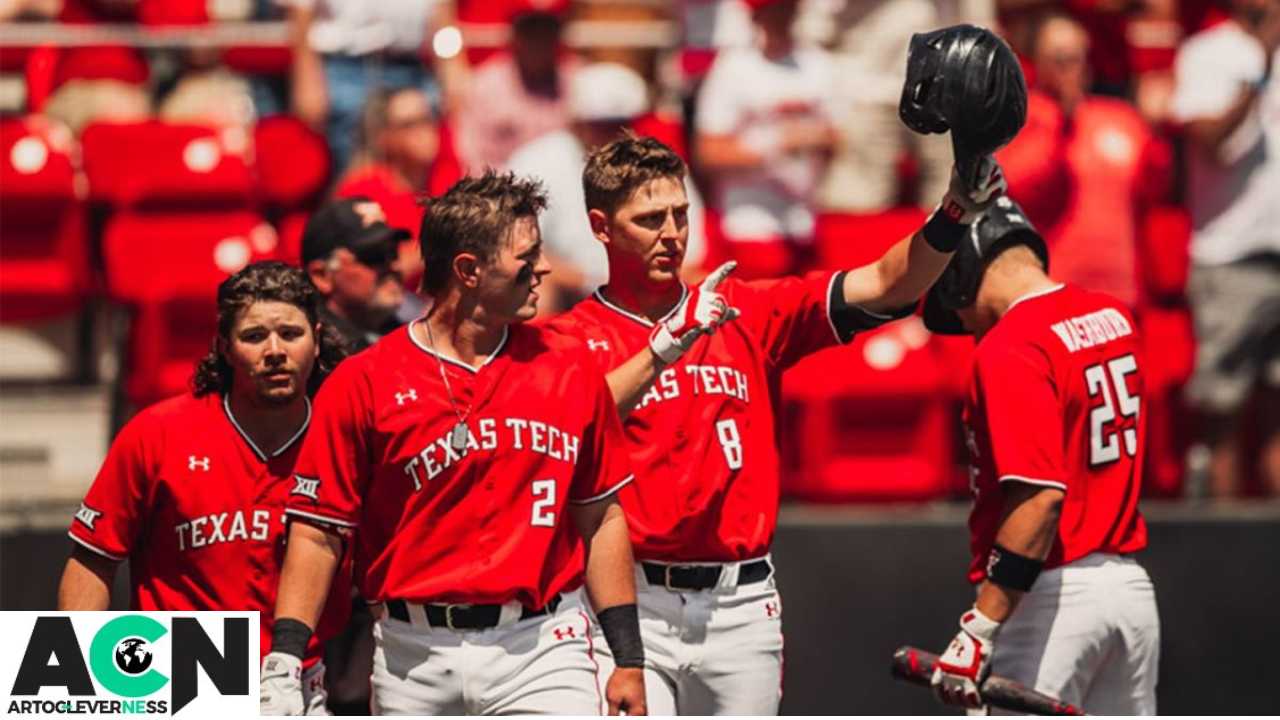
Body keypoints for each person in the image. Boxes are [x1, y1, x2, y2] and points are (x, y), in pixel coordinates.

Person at [541, 126, 1006, 712]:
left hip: (741, 606)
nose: (672, 235)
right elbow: (571, 422)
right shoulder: (568, 339)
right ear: (601, 227)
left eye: (680, 215)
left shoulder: (747, 310)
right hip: (633, 606)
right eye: (650, 220)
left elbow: (890, 283)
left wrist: (956, 210)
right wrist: (665, 347)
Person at [262, 172, 651, 715]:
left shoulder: (570, 367)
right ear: (469, 270)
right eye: (527, 255)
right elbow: (318, 531)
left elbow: (601, 515)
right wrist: (283, 657)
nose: (542, 267)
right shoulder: (365, 380)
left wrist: (628, 656)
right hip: (410, 654)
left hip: (540, 647)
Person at [57, 261, 351, 715]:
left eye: (290, 334)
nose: (275, 350)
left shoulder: (346, 439)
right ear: (224, 347)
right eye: (254, 336)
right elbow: (92, 560)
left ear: (315, 338)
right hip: (176, 674)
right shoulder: (157, 433)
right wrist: (78, 690)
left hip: (298, 680)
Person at [923, 198, 1159, 715]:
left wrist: (981, 626)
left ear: (961, 272)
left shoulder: (1011, 343)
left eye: (955, 307)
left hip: (1050, 597)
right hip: (1131, 594)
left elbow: (1039, 500)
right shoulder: (1112, 315)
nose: (964, 324)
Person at [1170, 0, 1280, 497]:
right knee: (1224, 414)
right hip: (1230, 257)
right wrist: (1260, 64)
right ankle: (1225, 556)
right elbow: (1209, 139)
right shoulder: (1208, 53)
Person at [997, 10, 1171, 309]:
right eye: (1061, 59)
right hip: (1049, 293)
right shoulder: (1021, 123)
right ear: (1038, 63)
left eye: (1080, 57)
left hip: (1120, 295)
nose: (1073, 69)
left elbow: (1155, 188)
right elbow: (1022, 186)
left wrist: (1157, 130)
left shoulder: (1120, 118)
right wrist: (1058, 123)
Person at [507, 63, 708, 312]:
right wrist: (581, 280)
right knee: (534, 287)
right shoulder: (537, 161)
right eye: (600, 124)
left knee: (704, 288)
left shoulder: (659, 164)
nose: (613, 134)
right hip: (565, 291)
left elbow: (692, 250)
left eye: (620, 123)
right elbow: (515, 247)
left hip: (644, 289)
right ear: (577, 122)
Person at [694, 0, 838, 279]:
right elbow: (709, 151)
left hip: (805, 220)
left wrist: (816, 139)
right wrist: (776, 144)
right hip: (750, 221)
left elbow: (837, 138)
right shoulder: (734, 68)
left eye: (786, 7)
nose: (780, 16)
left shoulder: (818, 64)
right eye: (773, 9)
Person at [452, 0, 579, 173]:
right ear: (515, 33)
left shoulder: (579, 81)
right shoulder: (484, 86)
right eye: (530, 29)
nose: (538, 39)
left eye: (547, 29)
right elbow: (471, 159)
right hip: (503, 192)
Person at [301, 197, 411, 351]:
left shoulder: (408, 335)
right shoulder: (318, 355)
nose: (394, 266)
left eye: (393, 253)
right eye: (374, 255)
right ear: (322, 276)